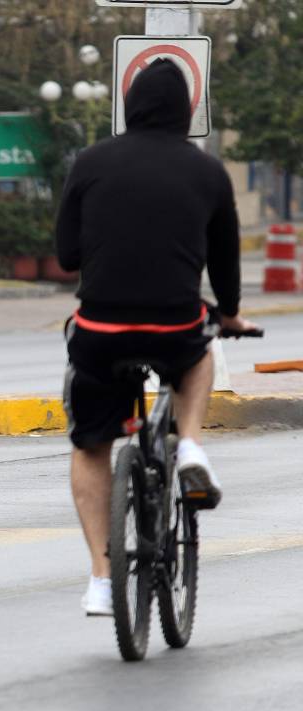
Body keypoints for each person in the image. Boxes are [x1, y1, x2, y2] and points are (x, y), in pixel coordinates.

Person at [54, 58, 258, 616]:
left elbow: (67, 255)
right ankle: (189, 442)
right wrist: (232, 314)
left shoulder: (90, 162)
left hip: (99, 329)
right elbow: (224, 261)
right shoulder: (207, 172)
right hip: (173, 321)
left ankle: (100, 577)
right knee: (199, 351)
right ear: (188, 113)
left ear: (128, 106)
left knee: (90, 445)